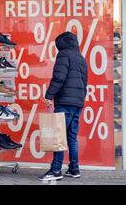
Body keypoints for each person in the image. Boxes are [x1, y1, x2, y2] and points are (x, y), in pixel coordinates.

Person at [39, 31, 88, 181]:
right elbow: (85, 82)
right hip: (77, 102)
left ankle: (55, 170)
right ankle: (74, 169)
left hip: (65, 102)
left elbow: (59, 77)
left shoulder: (64, 55)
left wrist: (49, 95)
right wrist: (80, 99)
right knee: (72, 137)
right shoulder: (81, 58)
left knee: (58, 136)